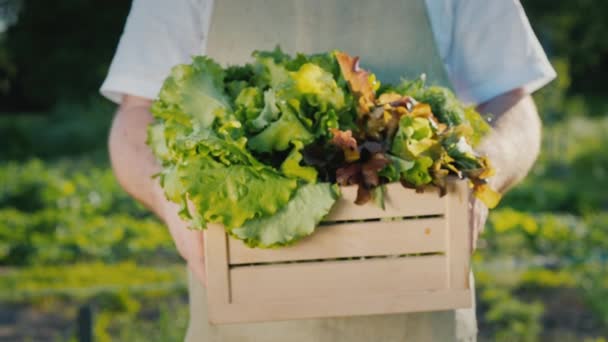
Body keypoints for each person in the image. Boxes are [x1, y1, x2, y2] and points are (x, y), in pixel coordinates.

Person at [102, 0, 555, 340]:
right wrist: (172, 202)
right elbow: (135, 118)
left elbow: (513, 103)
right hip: (246, 323)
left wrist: (481, 180)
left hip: (420, 319)